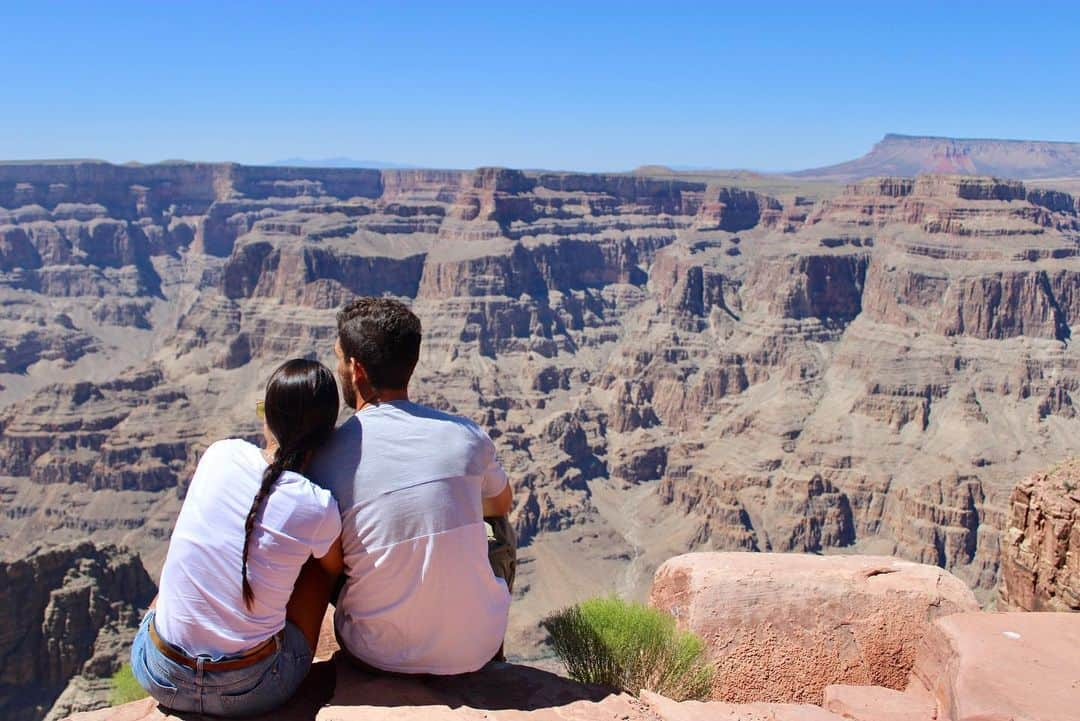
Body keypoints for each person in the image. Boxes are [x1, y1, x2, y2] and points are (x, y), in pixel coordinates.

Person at [309, 297, 515, 676]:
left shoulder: (325, 455)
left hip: (374, 654)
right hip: (476, 651)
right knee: (497, 525)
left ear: (355, 370)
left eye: (339, 358)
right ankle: (476, 632)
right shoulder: (466, 435)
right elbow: (502, 504)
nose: (337, 367)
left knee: (313, 523)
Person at [130, 359, 344, 717]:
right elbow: (334, 566)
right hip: (251, 689)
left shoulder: (219, 454)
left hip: (158, 673)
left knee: (195, 556)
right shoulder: (316, 504)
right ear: (326, 435)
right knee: (317, 566)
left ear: (268, 417)